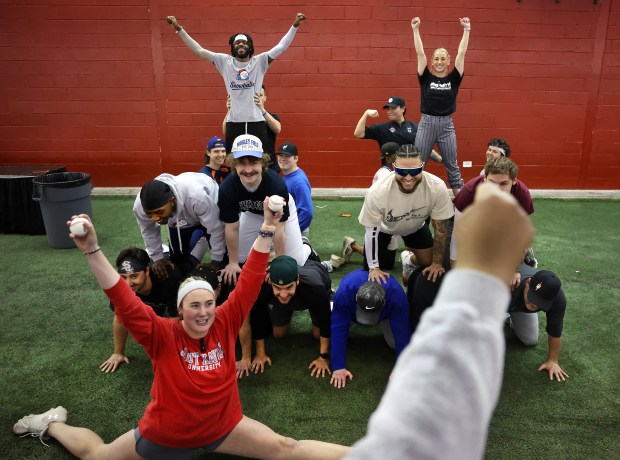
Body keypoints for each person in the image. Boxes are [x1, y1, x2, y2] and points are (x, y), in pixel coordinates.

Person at [13, 204, 349, 459]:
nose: (203, 312)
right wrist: (91, 249)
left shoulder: (225, 320)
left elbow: (248, 283)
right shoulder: (160, 334)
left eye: (208, 304)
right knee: (98, 455)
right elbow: (122, 298)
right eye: (194, 305)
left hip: (224, 428)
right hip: (166, 435)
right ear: (180, 310)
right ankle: (52, 422)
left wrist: (268, 227)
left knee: (285, 447)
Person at [345, 182, 535, 460]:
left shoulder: (409, 288)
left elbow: (293, 448)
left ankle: (404, 259)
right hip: (447, 300)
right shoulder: (426, 286)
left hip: (423, 289)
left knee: (394, 336)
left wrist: (403, 364)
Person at [166, 13, 305, 150]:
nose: (241, 45)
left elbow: (281, 47)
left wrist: (295, 26)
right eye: (237, 43)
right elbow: (199, 50)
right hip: (234, 121)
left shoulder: (260, 61)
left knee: (260, 162)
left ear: (250, 46)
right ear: (233, 47)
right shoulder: (224, 62)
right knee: (234, 162)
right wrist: (179, 29)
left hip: (256, 120)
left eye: (244, 43)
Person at [218, 134, 307, 286]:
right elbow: (231, 227)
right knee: (240, 258)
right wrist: (232, 262)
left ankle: (306, 246)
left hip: (278, 216)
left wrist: (279, 263)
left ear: (263, 162)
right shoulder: (227, 187)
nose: (248, 169)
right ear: (234, 164)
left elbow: (279, 228)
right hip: (252, 213)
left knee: (296, 260)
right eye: (241, 163)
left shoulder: (276, 185)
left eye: (253, 162)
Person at [358, 145, 454, 285]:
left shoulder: (437, 187)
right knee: (372, 269)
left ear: (422, 167)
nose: (408, 177)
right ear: (394, 167)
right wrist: (374, 268)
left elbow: (440, 231)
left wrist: (436, 264)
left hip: (415, 227)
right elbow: (371, 232)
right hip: (384, 229)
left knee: (428, 262)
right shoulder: (377, 191)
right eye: (402, 171)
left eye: (414, 171)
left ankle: (408, 260)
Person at [244, 255, 332, 379]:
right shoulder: (263, 286)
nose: (284, 294)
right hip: (287, 298)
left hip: (313, 286)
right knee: (278, 334)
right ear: (271, 282)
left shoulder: (315, 287)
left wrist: (324, 357)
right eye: (277, 288)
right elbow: (259, 316)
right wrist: (260, 354)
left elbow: (325, 319)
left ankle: (308, 251)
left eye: (289, 287)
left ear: (297, 280)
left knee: (318, 334)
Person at [452, 156, 534, 288]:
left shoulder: (522, 195)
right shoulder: (468, 192)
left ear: (514, 181)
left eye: (503, 184)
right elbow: (458, 234)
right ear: (484, 179)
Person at [411, 16, 470, 195]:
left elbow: (462, 53)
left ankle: (460, 204)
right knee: (418, 163)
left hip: (447, 125)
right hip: (426, 124)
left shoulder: (454, 78)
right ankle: (413, 200)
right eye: (436, 58)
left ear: (448, 61)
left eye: (442, 59)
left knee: (451, 165)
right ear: (432, 60)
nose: (439, 62)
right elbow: (420, 53)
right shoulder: (425, 77)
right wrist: (415, 29)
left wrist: (467, 29)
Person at [100, 247, 183, 373]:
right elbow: (120, 318)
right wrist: (118, 352)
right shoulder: (121, 287)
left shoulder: (170, 279)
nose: (128, 283)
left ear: (147, 270)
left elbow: (176, 322)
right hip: (152, 300)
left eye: (134, 276)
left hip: (176, 266)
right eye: (123, 277)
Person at [330, 270, 411, 389]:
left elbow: (403, 333)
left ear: (384, 302)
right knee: (337, 326)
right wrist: (338, 367)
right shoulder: (345, 292)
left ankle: (380, 318)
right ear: (356, 297)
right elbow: (338, 328)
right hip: (350, 310)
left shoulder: (396, 296)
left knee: (394, 344)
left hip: (385, 315)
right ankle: (333, 304)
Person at [133, 172, 225, 277]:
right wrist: (158, 258)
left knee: (223, 259)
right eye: (149, 214)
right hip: (182, 212)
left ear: (172, 201)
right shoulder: (139, 207)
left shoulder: (196, 197)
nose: (155, 218)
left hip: (210, 201)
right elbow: (148, 230)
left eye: (159, 212)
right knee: (177, 259)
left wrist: (216, 262)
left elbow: (217, 229)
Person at [507, 266, 569, 381]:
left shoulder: (558, 299)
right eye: (533, 297)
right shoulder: (507, 284)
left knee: (530, 340)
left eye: (540, 302)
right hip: (492, 299)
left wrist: (552, 361)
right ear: (528, 283)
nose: (534, 305)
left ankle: (508, 317)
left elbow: (555, 329)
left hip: (515, 304)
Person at [353, 97, 442, 163]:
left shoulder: (415, 128)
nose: (390, 111)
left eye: (393, 108)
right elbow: (358, 133)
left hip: (409, 172)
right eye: (388, 109)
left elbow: (425, 148)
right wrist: (366, 113)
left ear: (403, 109)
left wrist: (441, 160)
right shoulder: (381, 128)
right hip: (390, 172)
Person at [224, 85, 282, 172]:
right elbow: (225, 131)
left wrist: (262, 110)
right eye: (255, 96)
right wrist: (230, 111)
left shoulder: (270, 116)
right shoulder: (241, 118)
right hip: (246, 166)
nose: (257, 98)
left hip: (268, 166)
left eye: (260, 95)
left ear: (265, 98)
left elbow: (277, 128)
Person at [278, 142, 314, 237]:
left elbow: (307, 212)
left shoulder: (299, 182)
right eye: (280, 155)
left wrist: (293, 233)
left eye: (287, 156)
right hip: (288, 227)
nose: (282, 159)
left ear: (296, 158)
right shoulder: (289, 175)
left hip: (296, 231)